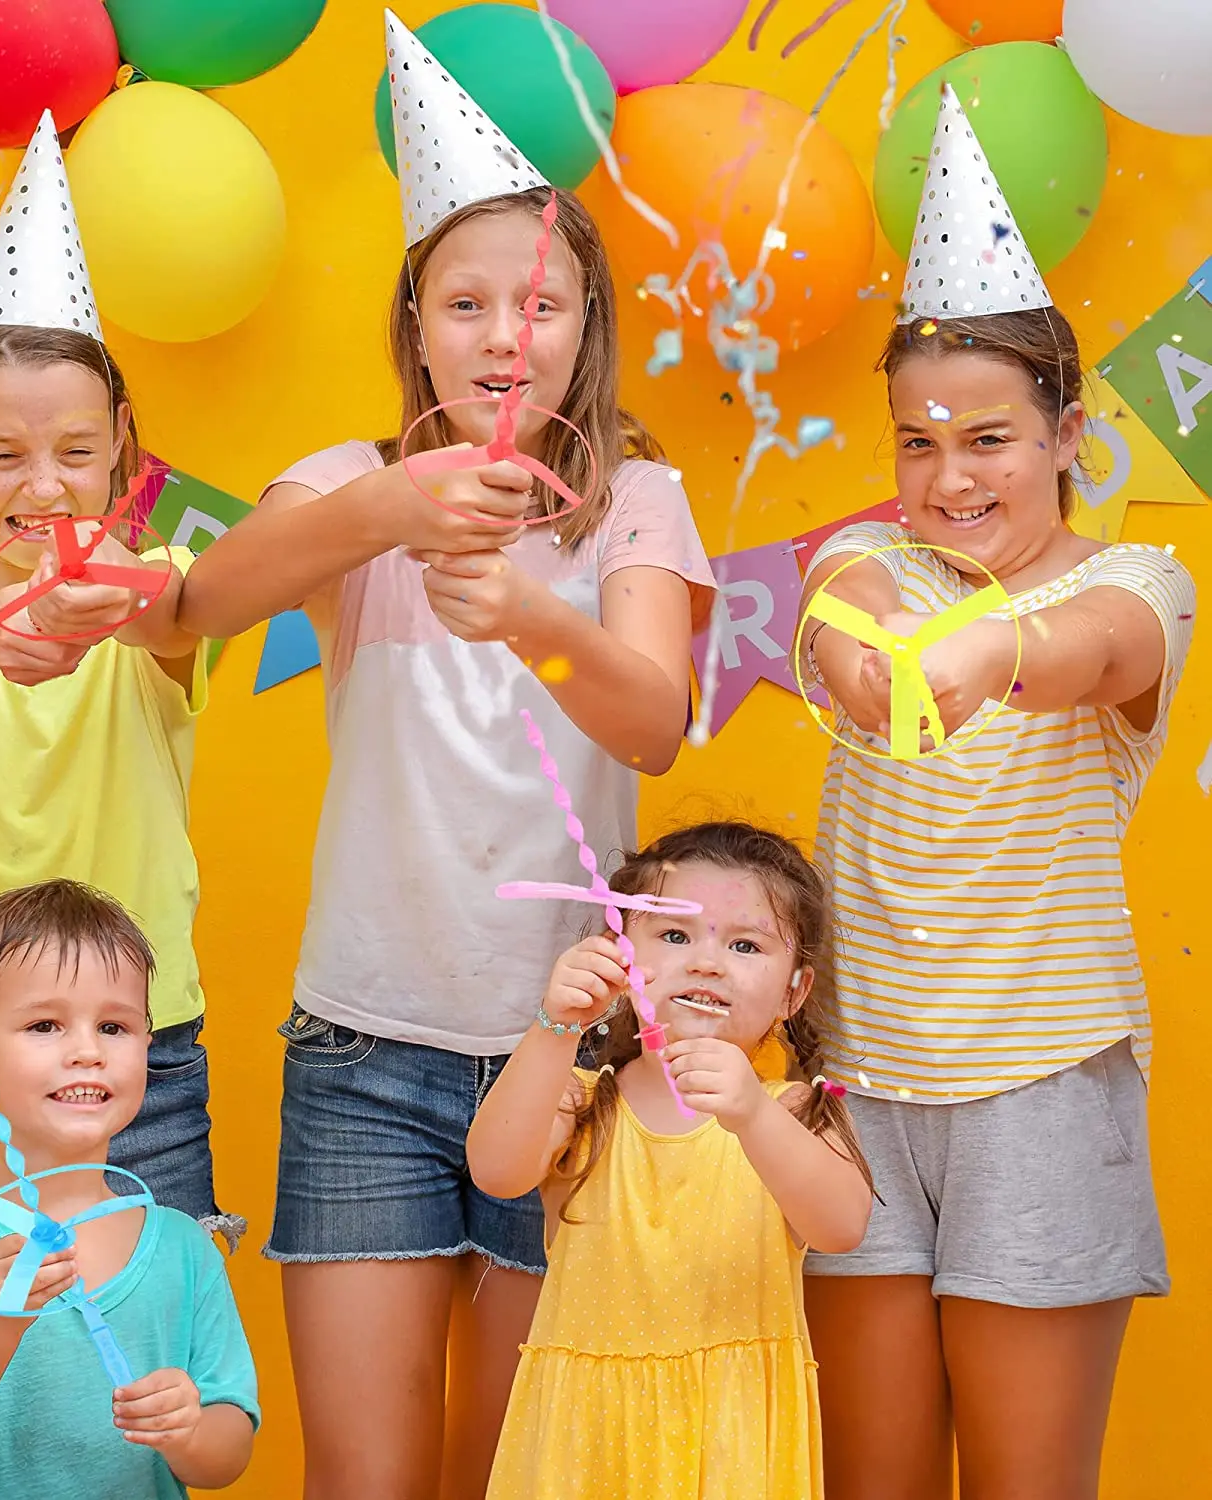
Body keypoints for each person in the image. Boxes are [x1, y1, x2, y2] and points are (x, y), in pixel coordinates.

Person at [175, 16, 713, 1499]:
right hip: (364, 1050)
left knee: (519, 1468)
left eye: (533, 308)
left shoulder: (636, 504)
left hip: (571, 1055)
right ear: (415, 326)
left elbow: (654, 724)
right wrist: (394, 512)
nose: (499, 336)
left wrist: (538, 617)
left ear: (582, 329)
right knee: (369, 1476)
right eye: (462, 304)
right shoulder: (348, 489)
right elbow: (196, 606)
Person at [795, 86, 1197, 1500]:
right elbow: (844, 641)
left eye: (990, 440)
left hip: (1040, 1083)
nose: (949, 475)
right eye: (919, 441)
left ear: (1070, 435)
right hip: (854, 1091)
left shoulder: (1134, 579)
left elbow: (1096, 653)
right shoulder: (865, 564)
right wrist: (882, 658)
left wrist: (995, 650)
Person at [0, 112, 242, 1274]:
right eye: (5, 455)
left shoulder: (157, 580)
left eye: (75, 449)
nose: (43, 484)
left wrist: (110, 608)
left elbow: (182, 614)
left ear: (122, 443)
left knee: (144, 1354)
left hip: (139, 1045)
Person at [468, 820, 873, 1499]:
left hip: (731, 1446)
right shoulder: (581, 1099)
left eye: (745, 944)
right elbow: (497, 1169)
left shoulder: (791, 1110)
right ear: (624, 961)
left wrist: (750, 1114)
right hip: (586, 1439)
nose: (707, 962)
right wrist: (554, 1026)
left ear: (794, 992)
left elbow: (842, 1226)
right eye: (676, 935)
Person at [0, 880, 259, 1499]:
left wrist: (189, 1431)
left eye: (115, 1027)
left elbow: (229, 1453)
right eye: (44, 1024)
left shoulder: (184, 1248)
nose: (88, 1051)